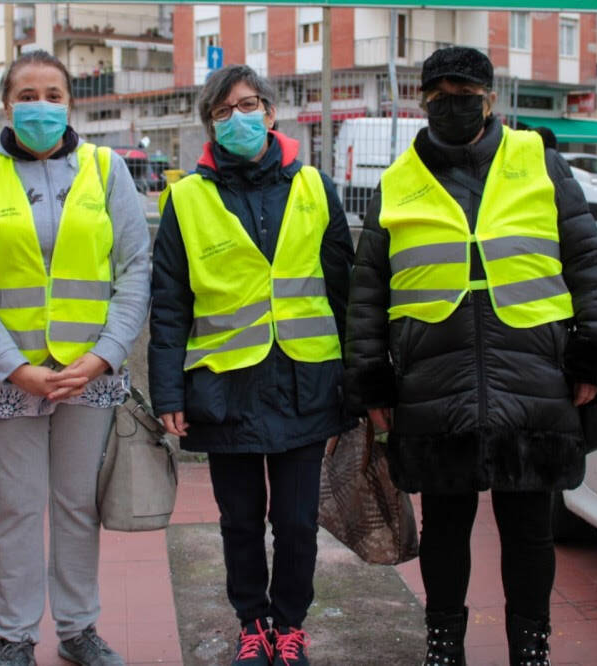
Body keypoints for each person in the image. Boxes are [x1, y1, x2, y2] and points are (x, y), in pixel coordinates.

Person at [344, 46, 597, 666]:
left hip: (534, 375)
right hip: (434, 383)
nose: (453, 103)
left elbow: (588, 267)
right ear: (421, 102)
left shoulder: (539, 163)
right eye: (440, 93)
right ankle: (444, 646)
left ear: (490, 97)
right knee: (446, 529)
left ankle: (531, 648)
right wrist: (373, 386)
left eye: (465, 91)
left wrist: (596, 358)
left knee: (530, 529)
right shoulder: (397, 183)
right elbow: (368, 294)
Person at [0, 50, 150, 666]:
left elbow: (135, 270)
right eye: (27, 94)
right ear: (6, 104)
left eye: (53, 94)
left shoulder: (107, 169)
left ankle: (79, 628)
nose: (41, 105)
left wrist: (107, 354)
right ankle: (15, 636)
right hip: (10, 378)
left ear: (70, 102)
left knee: (77, 505)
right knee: (14, 509)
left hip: (89, 375)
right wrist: (14, 368)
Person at [149, 64, 354, 666]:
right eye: (223, 110)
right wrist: (169, 393)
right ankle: (252, 623)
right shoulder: (187, 197)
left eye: (249, 105)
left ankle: (289, 626)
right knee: (240, 521)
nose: (239, 118)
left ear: (270, 112)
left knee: (295, 523)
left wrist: (356, 382)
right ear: (210, 126)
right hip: (223, 390)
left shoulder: (314, 186)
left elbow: (344, 290)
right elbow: (170, 303)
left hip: (306, 384)